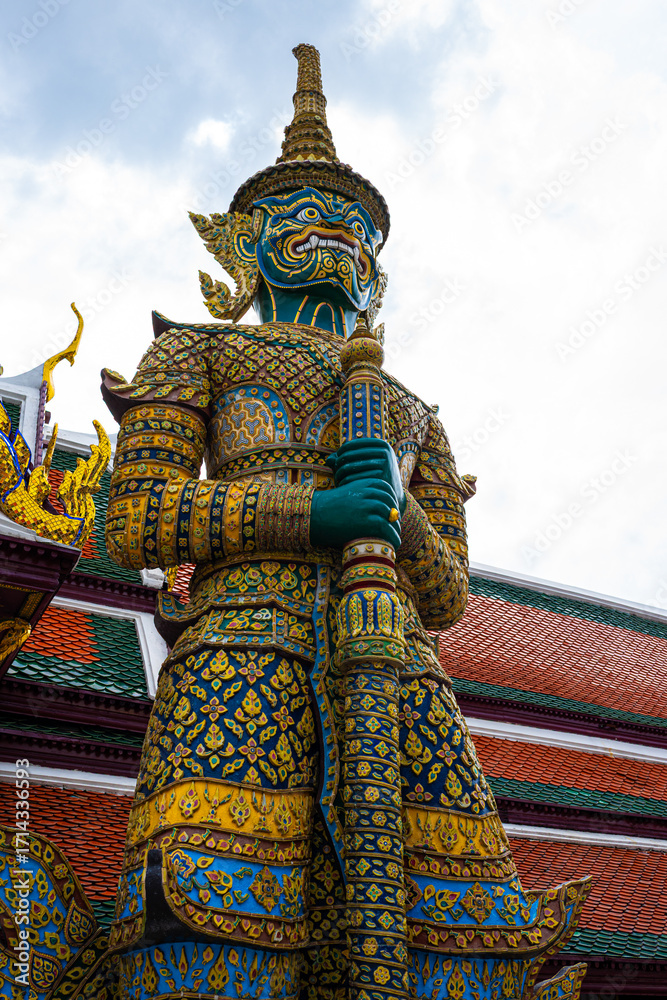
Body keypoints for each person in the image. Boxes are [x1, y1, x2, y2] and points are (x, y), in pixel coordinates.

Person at [103, 43, 589, 1000]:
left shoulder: (414, 413)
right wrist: (313, 511)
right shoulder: (197, 354)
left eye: (356, 227)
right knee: (205, 929)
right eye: (306, 216)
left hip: (396, 669)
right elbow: (137, 517)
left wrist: (401, 518)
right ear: (246, 241)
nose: (336, 236)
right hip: (243, 654)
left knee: (458, 947)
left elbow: (447, 593)